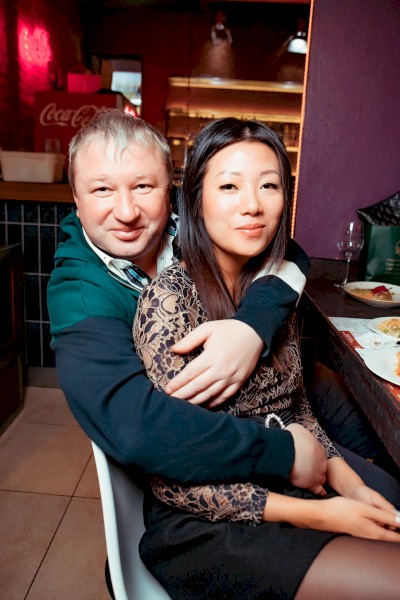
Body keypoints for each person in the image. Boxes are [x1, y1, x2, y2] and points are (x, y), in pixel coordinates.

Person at [132, 117, 400, 599]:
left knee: (388, 504)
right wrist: (323, 513)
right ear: (195, 199)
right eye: (229, 186)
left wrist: (351, 486)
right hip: (209, 525)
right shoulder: (169, 302)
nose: (252, 205)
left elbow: (295, 409)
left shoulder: (272, 293)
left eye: (269, 185)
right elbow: (172, 475)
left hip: (289, 482)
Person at [47, 108, 327, 499]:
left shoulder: (188, 225)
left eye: (144, 186)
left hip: (253, 408)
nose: (126, 212)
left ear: (172, 189)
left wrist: (252, 327)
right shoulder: (79, 295)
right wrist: (284, 453)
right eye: (102, 190)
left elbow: (287, 252)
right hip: (184, 483)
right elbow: (136, 428)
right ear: (76, 199)